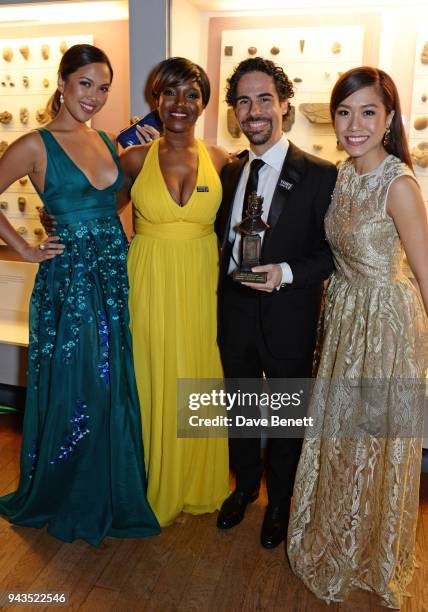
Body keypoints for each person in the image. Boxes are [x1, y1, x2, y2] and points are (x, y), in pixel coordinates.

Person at [0, 44, 160, 545]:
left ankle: (110, 487)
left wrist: (145, 160)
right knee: (80, 381)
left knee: (110, 379)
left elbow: (114, 200)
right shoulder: (34, 144)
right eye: (86, 83)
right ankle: (70, 491)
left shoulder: (108, 142)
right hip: (68, 282)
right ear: (64, 82)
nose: (94, 96)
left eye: (104, 87)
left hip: (112, 274)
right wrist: (24, 248)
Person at [287, 67, 428, 608]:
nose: (354, 124)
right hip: (346, 318)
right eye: (344, 112)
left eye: (368, 112)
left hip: (387, 326)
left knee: (375, 447)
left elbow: (422, 270)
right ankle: (337, 542)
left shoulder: (400, 185)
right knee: (342, 442)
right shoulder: (344, 175)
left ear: (390, 119)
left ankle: (372, 555)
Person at [214, 57, 337, 549]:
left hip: (289, 315)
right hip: (234, 313)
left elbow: (332, 254)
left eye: (265, 99)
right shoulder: (228, 171)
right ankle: (243, 488)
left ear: (285, 105)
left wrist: (285, 273)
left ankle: (280, 502)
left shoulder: (321, 174)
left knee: (287, 419)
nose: (254, 110)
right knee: (240, 407)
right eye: (244, 101)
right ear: (235, 113)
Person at [120, 57, 231, 527]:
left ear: (204, 103)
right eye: (170, 94)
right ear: (156, 101)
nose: (180, 104)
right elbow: (99, 211)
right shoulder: (132, 159)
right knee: (150, 372)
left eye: (191, 94)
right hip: (147, 281)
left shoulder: (222, 158)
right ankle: (147, 480)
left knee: (197, 373)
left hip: (200, 283)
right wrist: (51, 223)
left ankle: (194, 480)